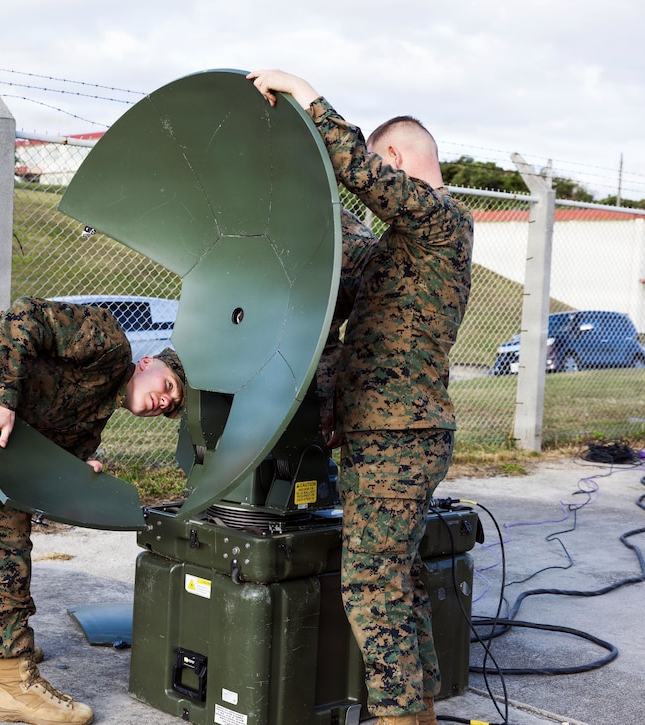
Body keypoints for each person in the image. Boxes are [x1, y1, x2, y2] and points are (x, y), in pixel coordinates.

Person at [247, 70, 474, 725]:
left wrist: (305, 95)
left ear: (396, 160)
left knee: (372, 584)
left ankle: (401, 715)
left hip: (399, 434)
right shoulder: (396, 254)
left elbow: (363, 179)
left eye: (383, 167)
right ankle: (419, 707)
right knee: (395, 578)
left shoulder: (442, 221)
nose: (379, 182)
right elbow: (340, 265)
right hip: (385, 433)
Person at [0, 295, 186, 725]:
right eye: (169, 386)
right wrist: (0, 400)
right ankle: (14, 685)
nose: (165, 400)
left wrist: (72, 470)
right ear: (147, 364)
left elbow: (56, 447)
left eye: (171, 407)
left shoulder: (96, 410)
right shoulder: (109, 342)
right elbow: (25, 317)